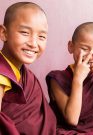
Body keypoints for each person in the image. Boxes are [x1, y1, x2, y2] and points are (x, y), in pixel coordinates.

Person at [0, 2, 56, 135]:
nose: (33, 43)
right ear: (3, 33)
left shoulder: (23, 74)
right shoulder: (2, 74)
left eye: (41, 36)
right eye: (25, 32)